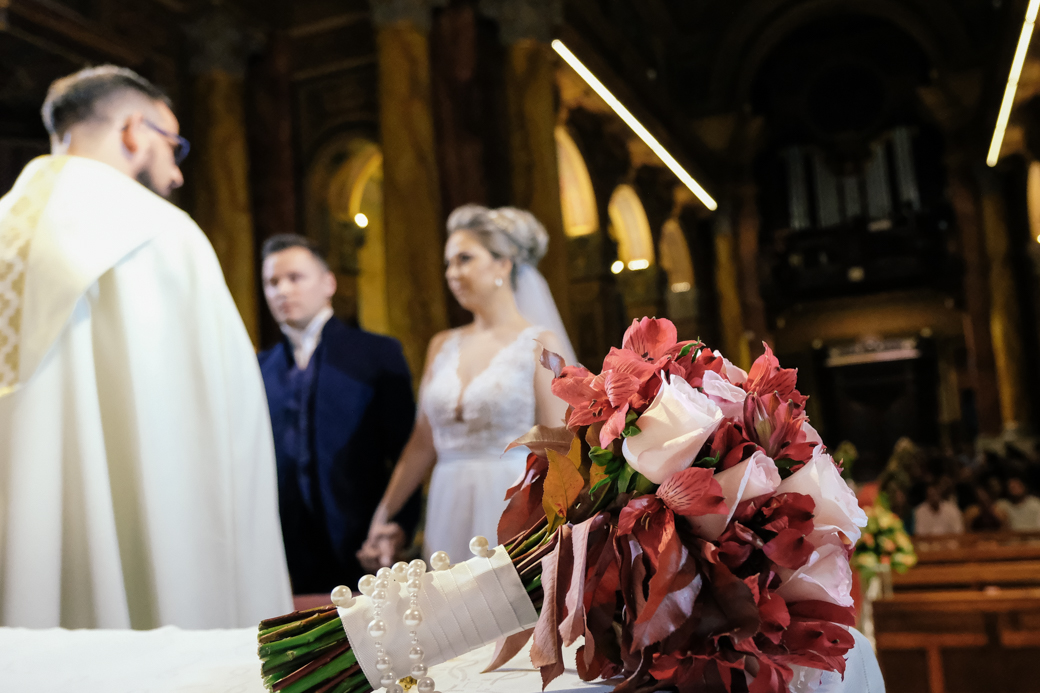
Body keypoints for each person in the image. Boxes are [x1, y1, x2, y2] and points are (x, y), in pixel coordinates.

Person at [0, 65, 292, 629]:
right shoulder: (160, 234)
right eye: (172, 144)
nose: (177, 173)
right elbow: (222, 424)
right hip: (152, 574)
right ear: (134, 130)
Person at [358, 205, 574, 567]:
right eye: (448, 263)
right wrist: (384, 512)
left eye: (464, 259)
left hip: (510, 499)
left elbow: (560, 445)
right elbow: (422, 442)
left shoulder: (540, 343)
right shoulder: (442, 345)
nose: (452, 273)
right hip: (447, 498)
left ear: (503, 264)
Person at [258, 234, 421, 594]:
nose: (282, 290)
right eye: (272, 282)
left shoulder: (376, 354)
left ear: (328, 283)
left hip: (364, 544)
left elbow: (407, 451)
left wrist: (400, 526)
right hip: (285, 554)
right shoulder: (258, 368)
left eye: (294, 278)